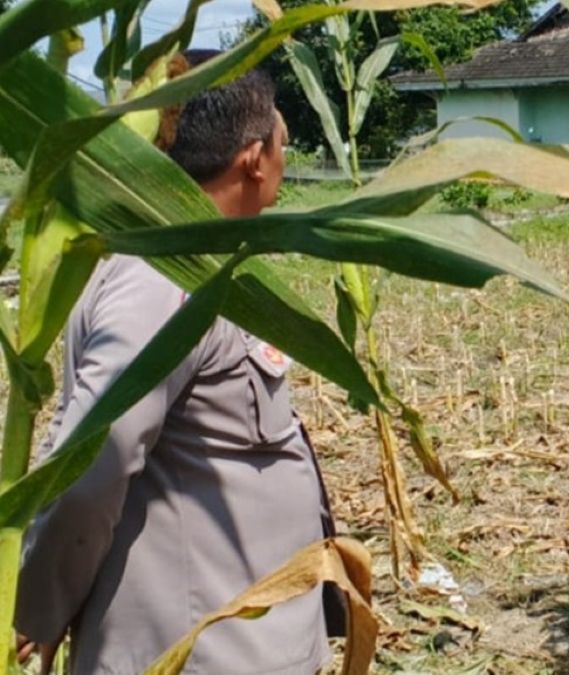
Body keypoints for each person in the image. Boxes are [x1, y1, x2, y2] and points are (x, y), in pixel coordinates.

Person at [14, 50, 334, 674]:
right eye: (283, 143)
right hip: (197, 654)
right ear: (253, 158)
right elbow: (92, 463)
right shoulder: (164, 282)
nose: (285, 160)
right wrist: (37, 608)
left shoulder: (209, 267)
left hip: (241, 642)